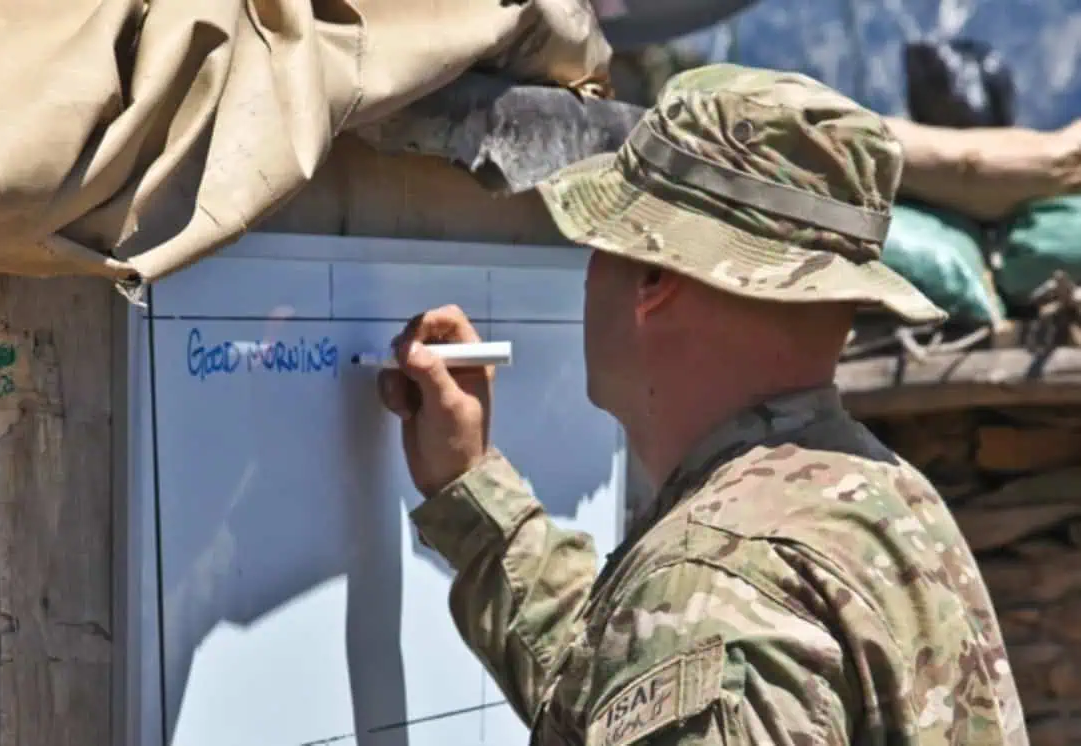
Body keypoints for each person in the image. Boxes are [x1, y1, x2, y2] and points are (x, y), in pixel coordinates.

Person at [376, 63, 1029, 745]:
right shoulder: (885, 496)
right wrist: (470, 489)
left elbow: (687, 634)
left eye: (602, 241)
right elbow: (619, 676)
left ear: (652, 275)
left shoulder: (715, 578)